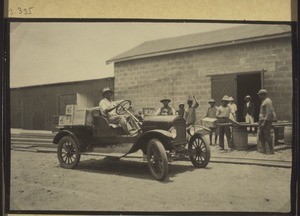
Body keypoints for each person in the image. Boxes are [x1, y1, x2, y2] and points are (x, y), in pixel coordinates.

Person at [257, 89, 276, 154]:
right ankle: (264, 150)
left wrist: (264, 122)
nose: (259, 97)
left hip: (266, 121)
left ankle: (271, 151)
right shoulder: (263, 101)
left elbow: (269, 112)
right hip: (261, 121)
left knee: (267, 135)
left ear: (263, 95)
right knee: (261, 135)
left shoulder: (268, 101)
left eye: (260, 95)